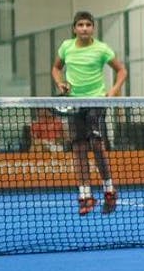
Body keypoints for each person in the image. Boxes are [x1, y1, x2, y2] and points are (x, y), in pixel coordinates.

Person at [52, 11, 128, 215]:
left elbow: (121, 70)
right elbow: (56, 68)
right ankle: (85, 195)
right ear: (74, 28)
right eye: (80, 25)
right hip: (74, 103)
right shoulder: (66, 47)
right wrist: (60, 83)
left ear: (93, 28)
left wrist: (113, 91)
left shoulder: (102, 49)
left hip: (96, 100)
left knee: (95, 143)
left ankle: (109, 189)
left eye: (88, 24)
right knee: (78, 148)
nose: (84, 28)